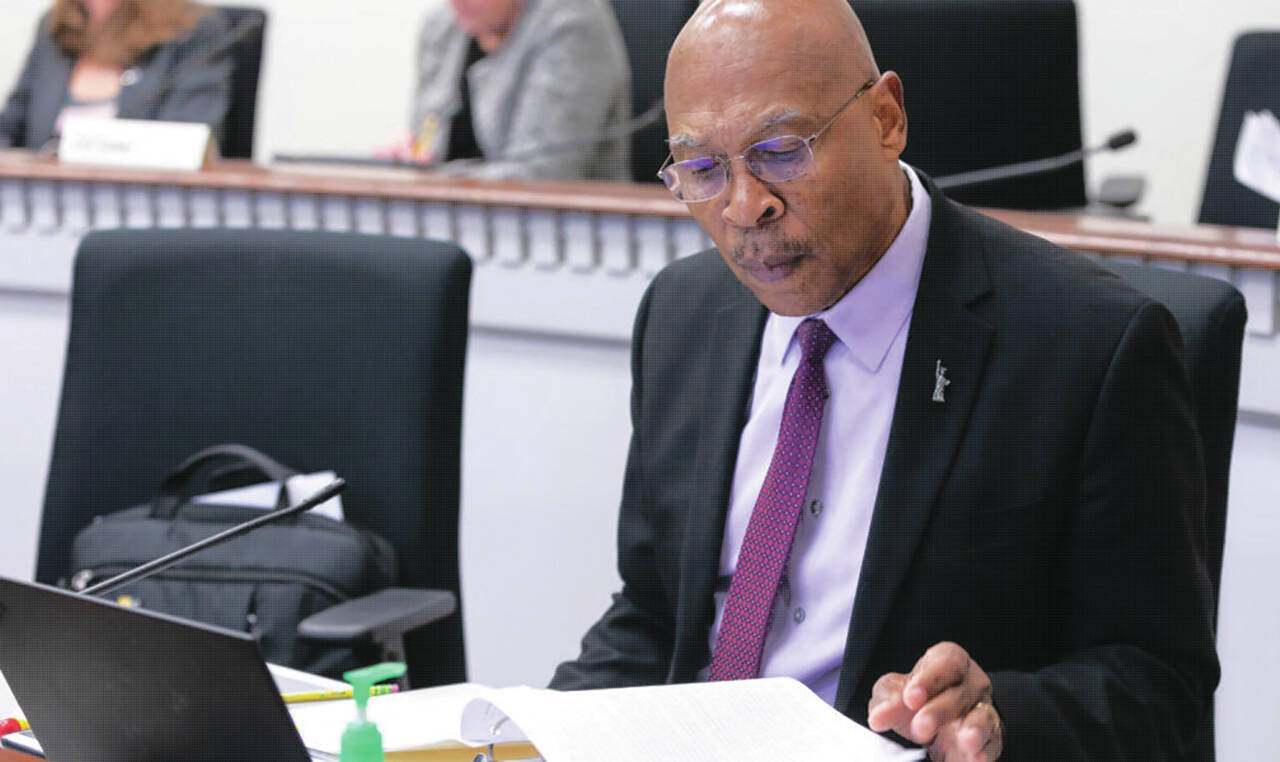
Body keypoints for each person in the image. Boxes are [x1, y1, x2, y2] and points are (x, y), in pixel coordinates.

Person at [549, 1, 1219, 760]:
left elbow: (1159, 682)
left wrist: (999, 714)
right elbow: (651, 614)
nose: (745, 207)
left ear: (886, 118)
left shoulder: (1087, 346)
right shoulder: (682, 313)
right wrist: (529, 731)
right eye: (702, 170)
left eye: (780, 150)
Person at [382, 0, 631, 180]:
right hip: (452, 221)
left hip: (562, 231)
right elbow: (427, 137)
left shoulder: (573, 23)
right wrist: (410, 158)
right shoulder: (441, 25)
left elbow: (541, 173)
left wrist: (435, 179)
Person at [0, 0, 232, 152]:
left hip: (141, 202)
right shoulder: (55, 28)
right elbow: (10, 126)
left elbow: (187, 139)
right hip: (43, 200)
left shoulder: (194, 31)